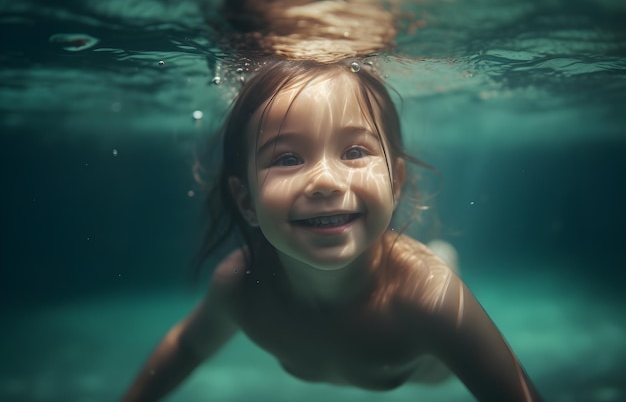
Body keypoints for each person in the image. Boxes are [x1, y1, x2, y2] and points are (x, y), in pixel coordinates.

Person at [120, 58, 544, 402]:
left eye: (354, 151)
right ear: (246, 201)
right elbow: (186, 346)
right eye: (287, 159)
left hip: (427, 371)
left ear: (395, 184)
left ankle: (442, 251)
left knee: (440, 261)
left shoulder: (430, 299)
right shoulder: (240, 286)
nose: (324, 181)